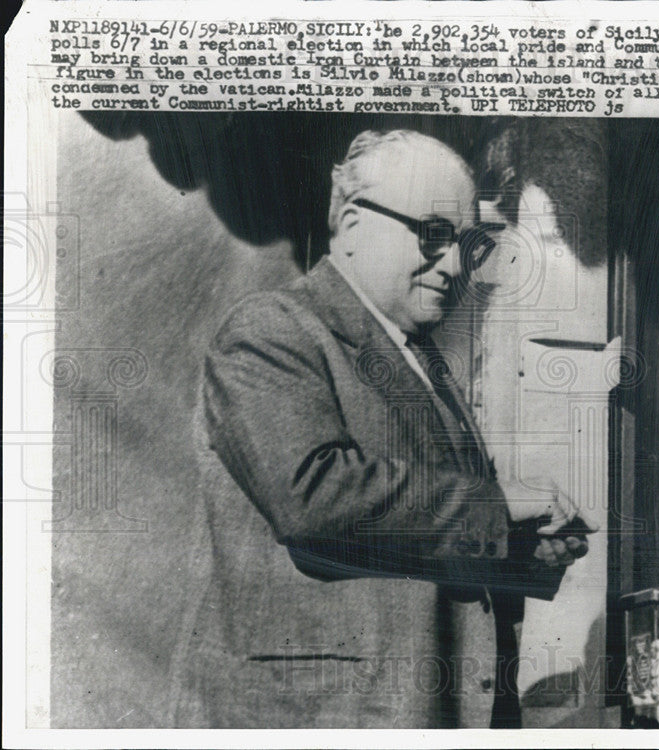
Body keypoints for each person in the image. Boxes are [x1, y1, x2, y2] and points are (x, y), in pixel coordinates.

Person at [168, 130, 590, 728]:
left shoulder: (428, 368)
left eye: (467, 245)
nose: (454, 265)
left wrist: (522, 548)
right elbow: (313, 499)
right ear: (349, 219)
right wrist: (498, 503)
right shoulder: (271, 332)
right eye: (433, 234)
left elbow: (423, 543)